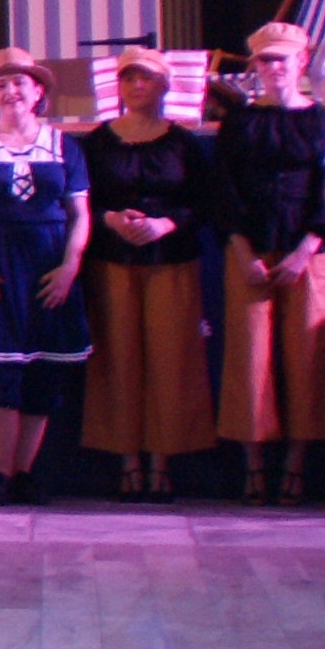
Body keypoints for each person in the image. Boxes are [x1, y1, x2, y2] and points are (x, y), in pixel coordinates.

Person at [0, 48, 91, 508]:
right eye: (1, 84)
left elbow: (79, 214)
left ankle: (23, 473)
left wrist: (69, 268)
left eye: (19, 82)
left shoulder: (64, 145)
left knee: (41, 371)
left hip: (47, 269)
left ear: (38, 90)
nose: (10, 91)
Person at [75, 46, 215, 499]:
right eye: (129, 78)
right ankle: (128, 462)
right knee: (117, 359)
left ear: (164, 85)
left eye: (146, 78)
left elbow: (204, 202)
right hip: (112, 263)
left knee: (171, 360)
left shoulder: (182, 142)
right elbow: (80, 201)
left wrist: (165, 224)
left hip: (171, 261)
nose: (137, 85)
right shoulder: (98, 142)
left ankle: (161, 462)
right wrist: (111, 219)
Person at [209, 22, 325, 503]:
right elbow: (224, 190)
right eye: (265, 60)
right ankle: (254, 466)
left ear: (301, 62)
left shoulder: (324, 120)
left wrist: (307, 249)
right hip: (250, 251)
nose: (273, 67)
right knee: (249, 359)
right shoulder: (240, 123)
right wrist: (242, 250)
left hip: (310, 253)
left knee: (308, 359)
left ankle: (296, 466)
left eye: (281, 59)